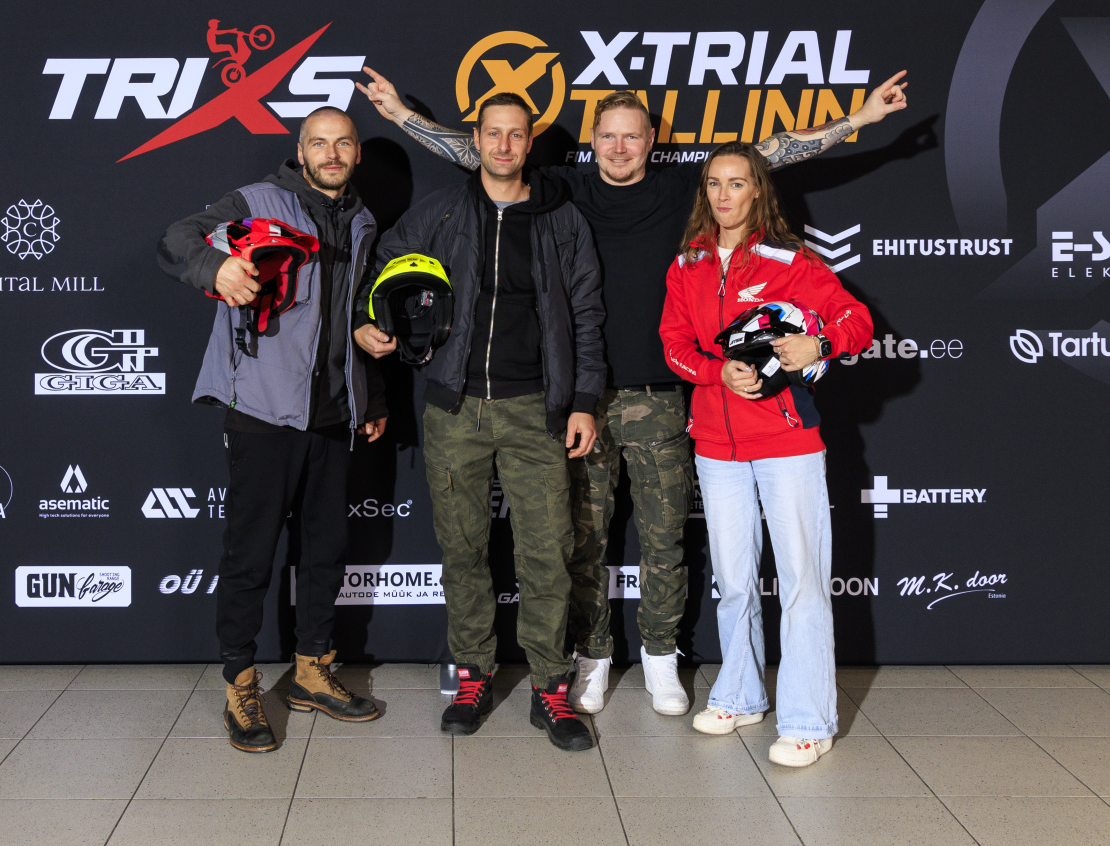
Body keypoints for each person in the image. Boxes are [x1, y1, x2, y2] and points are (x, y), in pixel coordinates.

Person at [357, 69, 907, 715]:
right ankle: (591, 657)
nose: (619, 148)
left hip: (661, 397)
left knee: (664, 539)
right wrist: (401, 115)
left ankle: (660, 659)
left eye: (632, 137)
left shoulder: (686, 190)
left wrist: (859, 120)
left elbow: (765, 155)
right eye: (608, 137)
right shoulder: (562, 187)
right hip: (577, 399)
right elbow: (483, 153)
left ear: (651, 142)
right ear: (593, 142)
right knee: (582, 541)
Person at [355, 92, 606, 751]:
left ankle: (551, 688)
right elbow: (383, 267)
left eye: (515, 135)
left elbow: (586, 311)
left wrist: (583, 399)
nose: (503, 146)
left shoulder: (561, 217)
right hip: (454, 409)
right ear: (476, 139)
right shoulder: (442, 209)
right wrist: (378, 321)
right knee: (463, 549)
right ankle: (473, 676)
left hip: (536, 409)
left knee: (547, 552)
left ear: (530, 142)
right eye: (493, 134)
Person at [157, 107, 387, 754]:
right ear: (300, 149)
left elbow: (353, 311)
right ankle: (241, 682)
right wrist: (215, 268)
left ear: (357, 153)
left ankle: (312, 671)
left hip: (333, 413)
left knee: (325, 552)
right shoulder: (255, 201)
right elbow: (175, 240)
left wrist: (369, 392)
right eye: (319, 143)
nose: (331, 153)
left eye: (343, 143)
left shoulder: (364, 220)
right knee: (250, 555)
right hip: (262, 410)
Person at [659, 141, 871, 766]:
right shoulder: (688, 264)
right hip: (715, 445)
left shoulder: (791, 261)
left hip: (785, 442)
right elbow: (674, 343)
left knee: (802, 582)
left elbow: (856, 322)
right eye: (714, 184)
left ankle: (808, 720)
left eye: (737, 183)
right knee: (733, 582)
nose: (724, 195)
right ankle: (742, 694)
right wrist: (716, 373)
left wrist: (820, 345)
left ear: (758, 190)